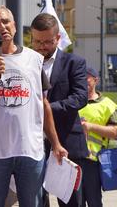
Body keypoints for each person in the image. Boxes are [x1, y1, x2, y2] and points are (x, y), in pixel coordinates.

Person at [0, 5, 67, 207]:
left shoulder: (34, 59)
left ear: (15, 26)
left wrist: (56, 143)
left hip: (30, 151)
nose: (2, 26)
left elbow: (42, 104)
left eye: (6, 21)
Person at [31, 13, 88, 207]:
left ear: (58, 38)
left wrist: (45, 109)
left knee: (72, 202)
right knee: (37, 200)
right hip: (34, 145)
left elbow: (80, 98)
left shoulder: (75, 63)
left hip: (67, 144)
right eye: (37, 41)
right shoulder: (25, 62)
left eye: (47, 42)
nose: (41, 46)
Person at [79, 67, 117, 207]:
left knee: (94, 201)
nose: (83, 81)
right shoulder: (74, 100)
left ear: (96, 80)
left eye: (86, 78)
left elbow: (115, 132)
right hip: (71, 160)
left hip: (93, 161)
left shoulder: (107, 104)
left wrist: (90, 127)